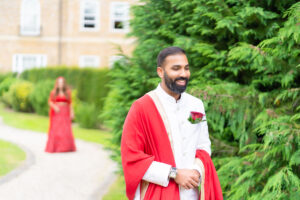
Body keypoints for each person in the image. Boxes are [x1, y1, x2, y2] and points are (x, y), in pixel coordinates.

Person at [121, 47, 223, 200]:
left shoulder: (196, 106)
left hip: (192, 193)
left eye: (186, 68)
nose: (183, 74)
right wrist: (174, 174)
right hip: (157, 192)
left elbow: (203, 145)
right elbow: (132, 158)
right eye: (176, 69)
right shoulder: (142, 107)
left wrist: (195, 171)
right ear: (160, 72)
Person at [45, 77, 76, 153]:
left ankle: (66, 147)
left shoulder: (68, 92)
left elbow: (70, 103)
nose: (61, 84)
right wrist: (55, 107)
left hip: (65, 112)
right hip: (57, 112)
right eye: (59, 83)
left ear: (64, 83)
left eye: (62, 82)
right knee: (57, 129)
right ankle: (56, 147)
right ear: (57, 84)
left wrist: (72, 112)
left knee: (65, 129)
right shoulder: (53, 92)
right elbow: (50, 102)